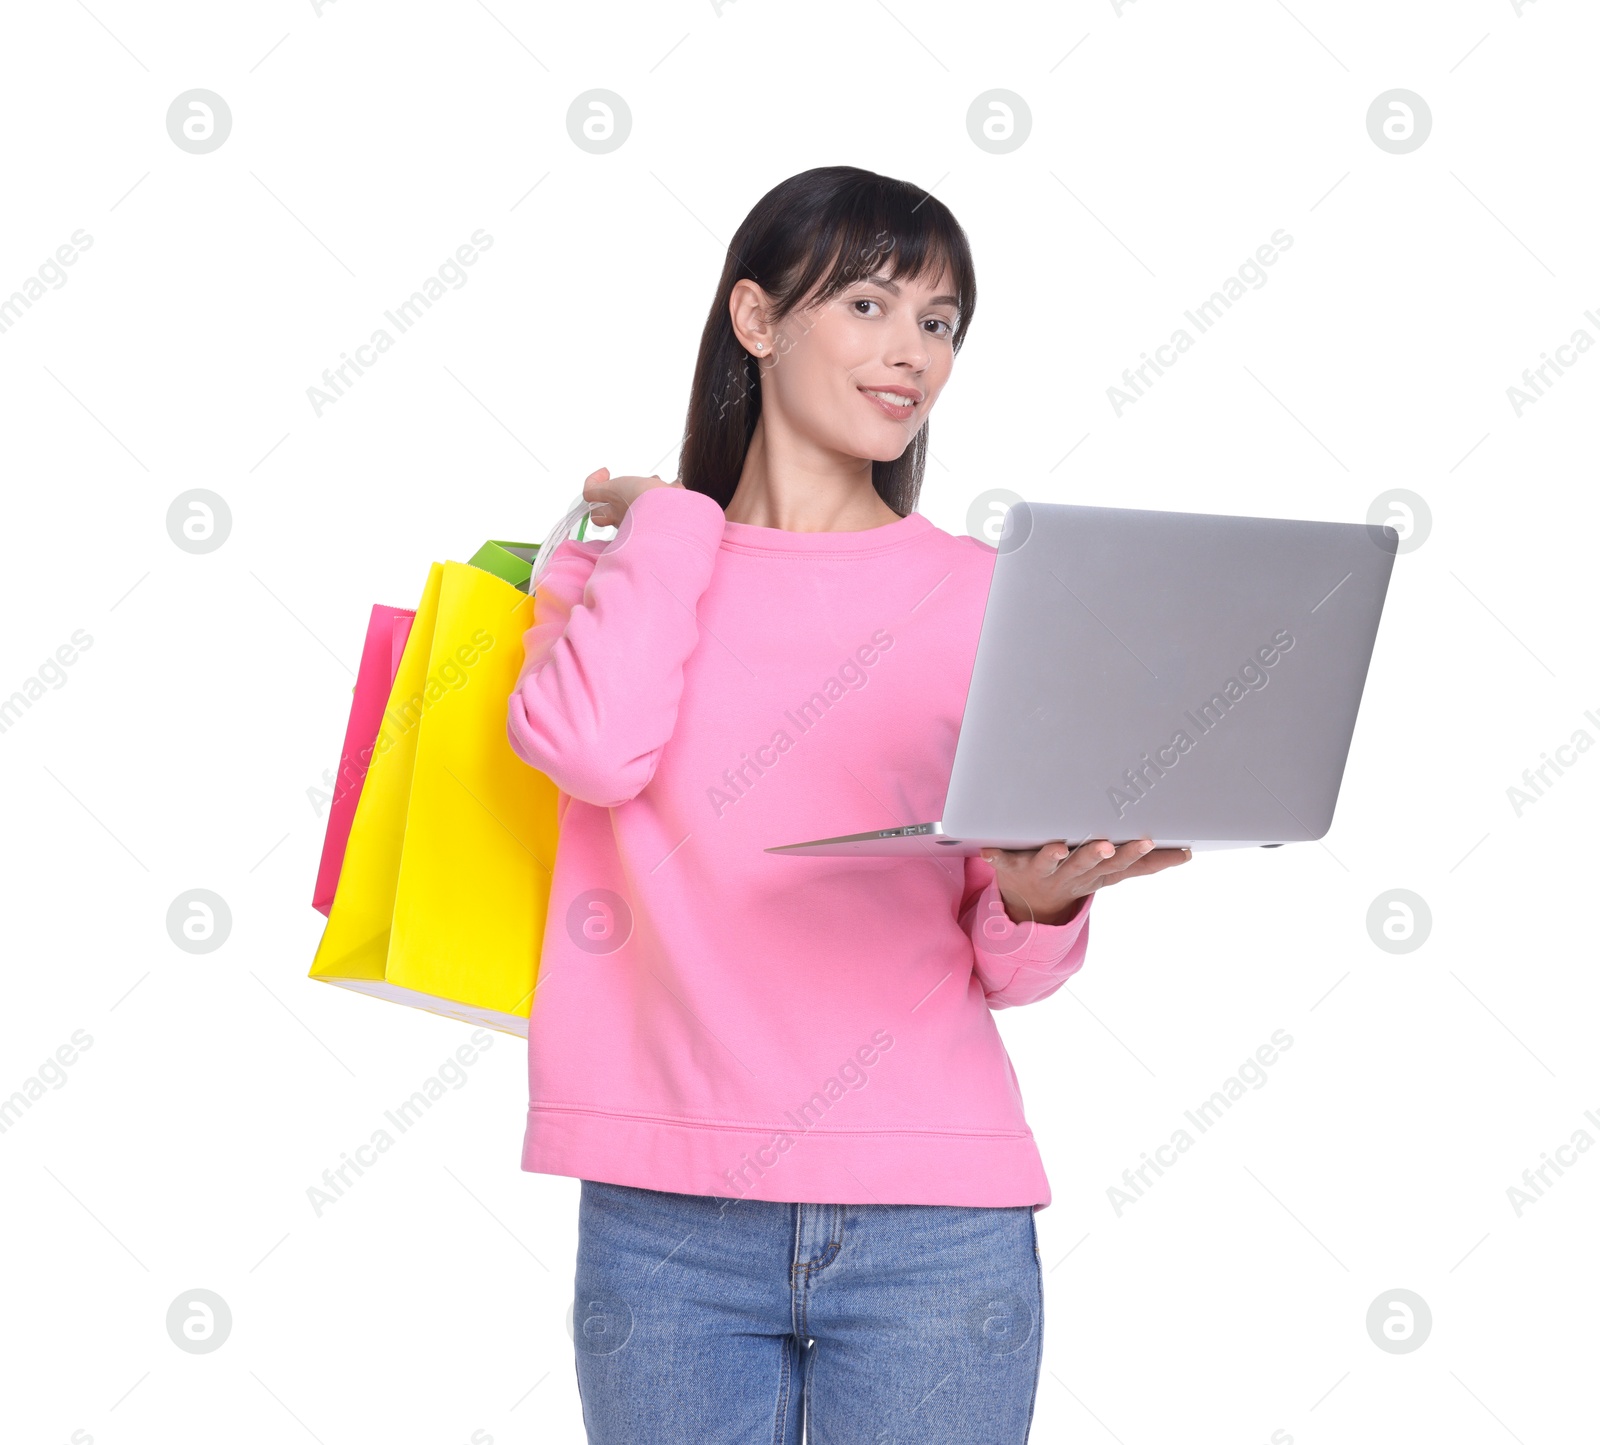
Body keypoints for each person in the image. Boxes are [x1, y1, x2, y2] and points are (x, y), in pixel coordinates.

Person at [506, 165, 1190, 1443]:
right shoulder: (611, 582)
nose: (911, 354)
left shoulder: (993, 598)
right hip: (666, 1214)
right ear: (755, 320)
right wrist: (667, 524)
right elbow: (594, 752)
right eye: (869, 305)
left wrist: (1039, 902)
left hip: (936, 1216)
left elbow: (1010, 961)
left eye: (939, 323)